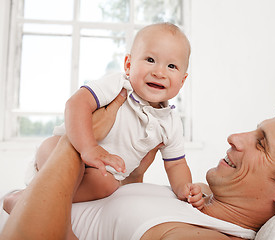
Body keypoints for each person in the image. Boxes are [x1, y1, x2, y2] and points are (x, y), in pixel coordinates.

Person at [2, 91, 275, 239]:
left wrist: (78, 141)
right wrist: (136, 177)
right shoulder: (199, 204)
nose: (235, 137)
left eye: (261, 143)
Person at [4, 22, 204, 211]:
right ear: (128, 64)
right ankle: (26, 199)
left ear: (183, 80)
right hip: (64, 149)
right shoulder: (119, 85)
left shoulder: (170, 123)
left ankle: (27, 199)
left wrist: (184, 189)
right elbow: (76, 104)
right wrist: (88, 147)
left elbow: (176, 163)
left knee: (107, 185)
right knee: (58, 153)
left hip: (99, 174)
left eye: (172, 66)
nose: (159, 72)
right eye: (150, 60)